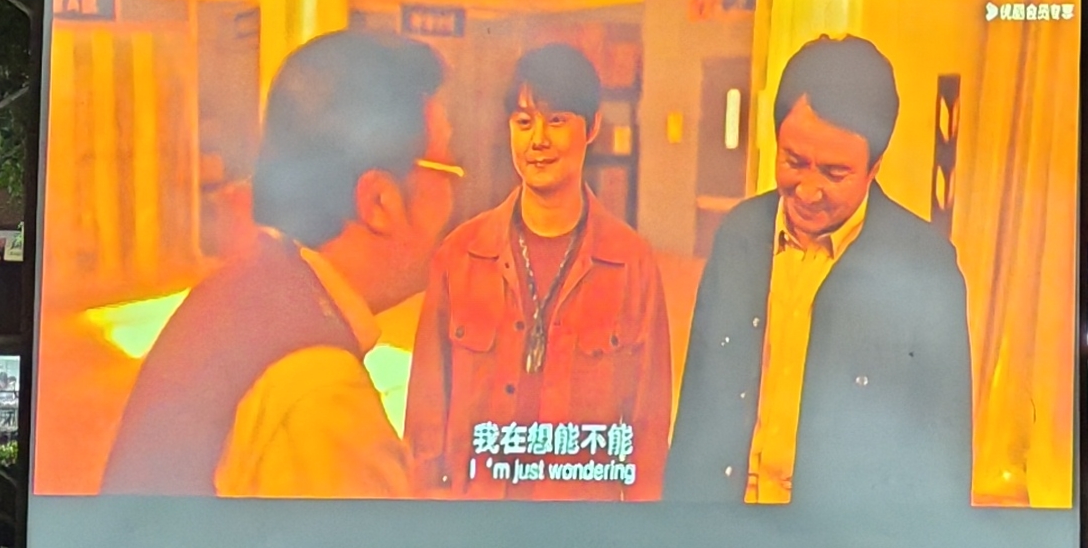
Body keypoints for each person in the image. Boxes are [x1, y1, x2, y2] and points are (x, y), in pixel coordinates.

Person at [103, 31, 459, 497]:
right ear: (379, 201)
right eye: (446, 169)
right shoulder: (322, 397)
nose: (456, 194)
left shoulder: (253, 285)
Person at [667, 35, 972, 508]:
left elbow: (943, 454)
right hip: (726, 521)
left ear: (874, 166)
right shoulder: (739, 235)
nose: (807, 191)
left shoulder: (925, 267)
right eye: (794, 162)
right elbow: (697, 404)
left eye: (834, 173)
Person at [406, 45, 672, 499]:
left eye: (557, 120)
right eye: (524, 121)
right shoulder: (461, 256)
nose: (538, 140)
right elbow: (424, 426)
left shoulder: (632, 265)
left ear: (592, 127)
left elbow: (647, 439)